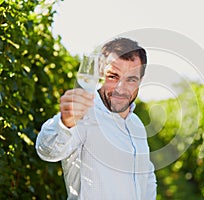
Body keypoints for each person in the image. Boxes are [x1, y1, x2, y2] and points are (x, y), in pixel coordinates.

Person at [35, 38, 157, 200]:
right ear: (100, 74)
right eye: (113, 76)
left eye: (131, 79)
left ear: (140, 81)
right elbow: (47, 150)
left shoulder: (137, 125)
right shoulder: (84, 114)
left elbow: (147, 178)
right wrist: (65, 123)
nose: (121, 88)